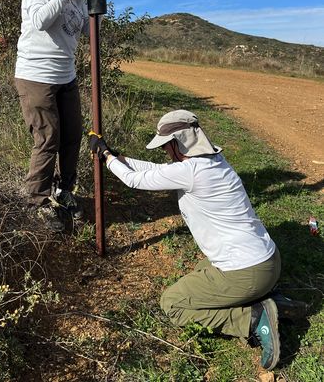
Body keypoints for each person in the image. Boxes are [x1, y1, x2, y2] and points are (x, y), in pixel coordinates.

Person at [89, 109, 287, 371]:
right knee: (200, 272)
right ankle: (268, 300)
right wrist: (116, 156)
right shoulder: (212, 161)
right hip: (268, 262)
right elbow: (157, 170)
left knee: (173, 303)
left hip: (248, 273)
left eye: (166, 146)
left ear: (177, 144)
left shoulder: (192, 172)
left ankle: (251, 319)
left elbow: (134, 181)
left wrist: (105, 156)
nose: (164, 152)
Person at [15, 0, 110, 232]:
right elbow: (40, 20)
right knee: (48, 138)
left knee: (72, 135)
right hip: (36, 75)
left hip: (65, 75)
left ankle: (64, 190)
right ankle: (36, 202)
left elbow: (86, 29)